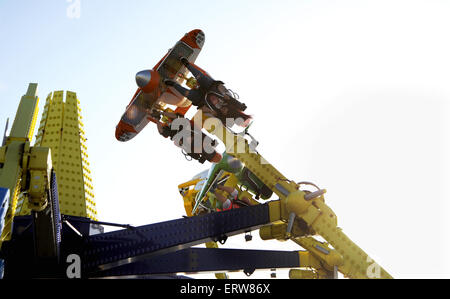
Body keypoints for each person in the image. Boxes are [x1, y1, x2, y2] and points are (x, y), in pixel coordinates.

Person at [165, 57, 251, 127]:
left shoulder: (220, 117)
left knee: (187, 94)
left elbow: (208, 113)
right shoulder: (234, 103)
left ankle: (173, 84)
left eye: (224, 112)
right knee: (201, 77)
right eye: (227, 109)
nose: (224, 110)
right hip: (212, 88)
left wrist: (206, 109)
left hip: (203, 99)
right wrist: (223, 93)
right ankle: (187, 64)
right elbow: (226, 93)